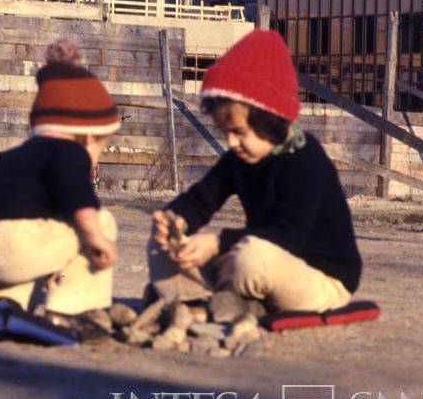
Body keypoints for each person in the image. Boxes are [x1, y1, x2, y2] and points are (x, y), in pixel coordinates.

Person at [147, 28, 362, 322]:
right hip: (258, 266)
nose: (231, 142)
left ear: (269, 120)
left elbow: (286, 237)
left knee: (251, 257)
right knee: (161, 245)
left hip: (319, 280)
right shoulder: (241, 157)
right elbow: (203, 197)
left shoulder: (305, 159)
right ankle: (196, 300)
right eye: (226, 133)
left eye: (239, 132)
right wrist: (175, 220)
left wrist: (217, 244)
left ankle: (211, 302)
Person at [0, 39, 121, 339]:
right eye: (100, 150)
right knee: (100, 221)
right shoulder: (69, 152)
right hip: (11, 245)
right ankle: (70, 312)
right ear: (88, 136)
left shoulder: (18, 156)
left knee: (37, 237)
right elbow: (76, 195)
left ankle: (8, 302)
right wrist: (96, 237)